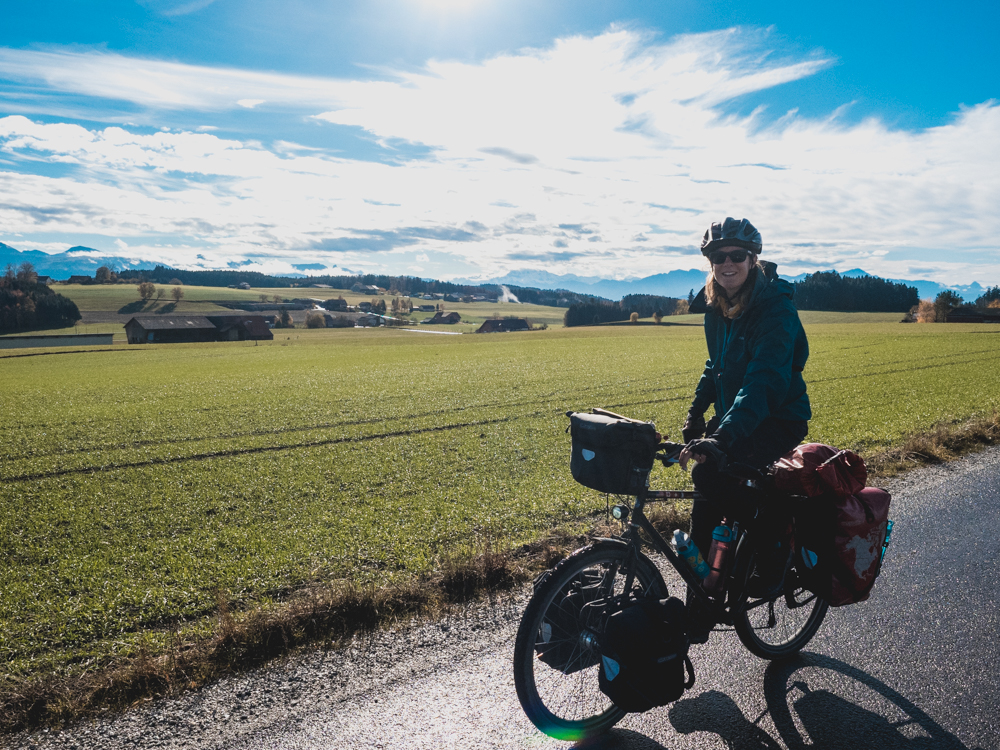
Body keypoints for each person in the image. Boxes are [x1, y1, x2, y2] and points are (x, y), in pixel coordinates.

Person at [678, 217, 811, 635]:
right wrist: (696, 412)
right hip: (738, 412)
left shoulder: (775, 309)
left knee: (721, 477)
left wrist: (723, 437)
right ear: (711, 262)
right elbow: (715, 366)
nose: (727, 263)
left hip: (777, 417)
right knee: (707, 485)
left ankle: (772, 560)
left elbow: (764, 383)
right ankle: (701, 598)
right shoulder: (716, 304)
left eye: (737, 256)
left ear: (753, 260)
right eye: (719, 257)